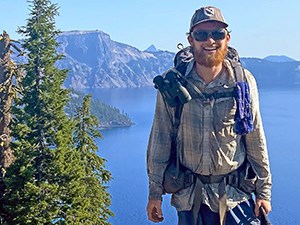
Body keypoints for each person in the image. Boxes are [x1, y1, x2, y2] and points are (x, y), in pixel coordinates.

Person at [146, 5, 272, 225]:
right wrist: (154, 194)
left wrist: (263, 192)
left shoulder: (242, 82)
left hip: (235, 197)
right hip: (190, 198)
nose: (210, 41)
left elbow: (255, 138)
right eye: (202, 34)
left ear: (228, 38)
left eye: (217, 33)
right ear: (190, 39)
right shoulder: (173, 83)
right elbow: (160, 138)